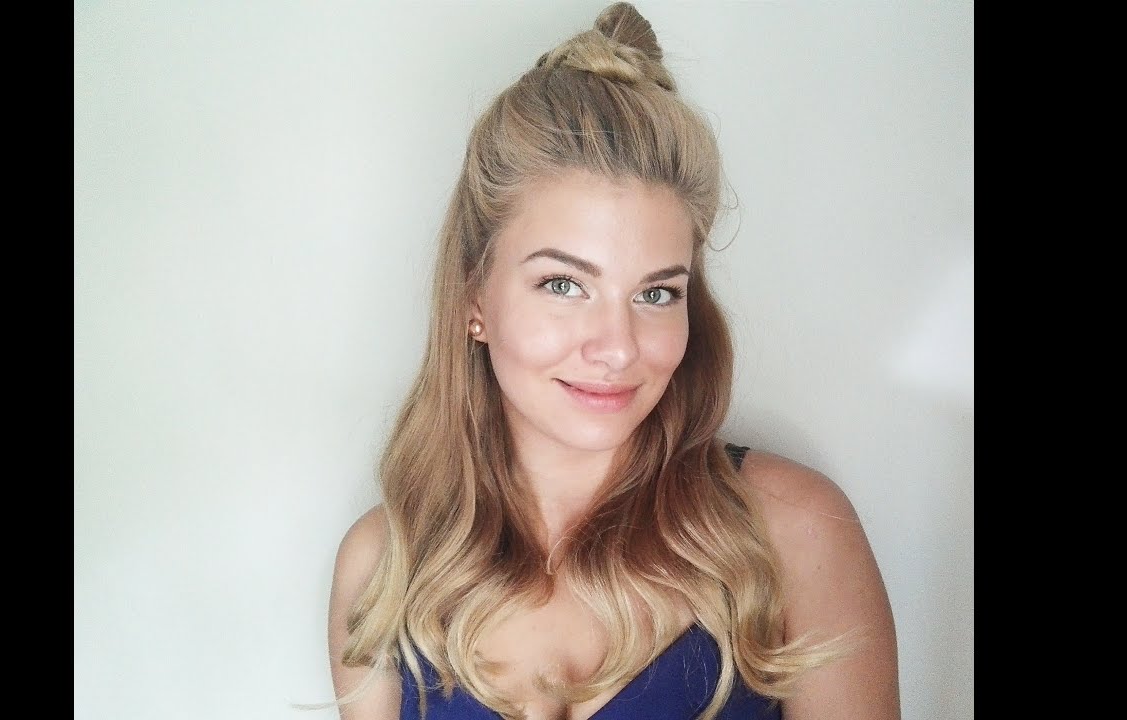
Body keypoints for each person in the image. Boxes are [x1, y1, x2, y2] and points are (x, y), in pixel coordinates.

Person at [325, 3, 900, 719]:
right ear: (475, 294)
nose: (619, 346)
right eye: (564, 284)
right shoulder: (382, 571)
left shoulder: (796, 531)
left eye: (656, 293)